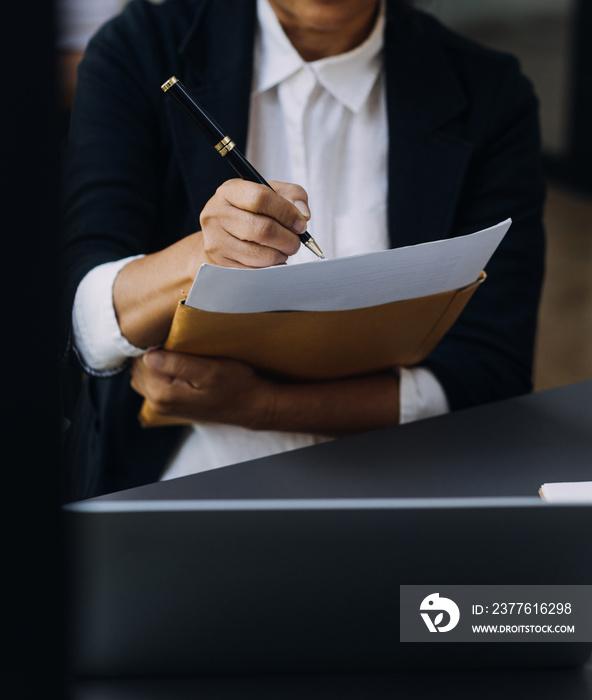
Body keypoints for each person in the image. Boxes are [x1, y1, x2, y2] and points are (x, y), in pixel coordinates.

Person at [60, 0, 545, 500]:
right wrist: (200, 260)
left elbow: (493, 372)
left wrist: (264, 406)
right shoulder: (142, 48)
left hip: (402, 485)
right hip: (173, 486)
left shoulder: (489, 92)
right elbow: (85, 323)